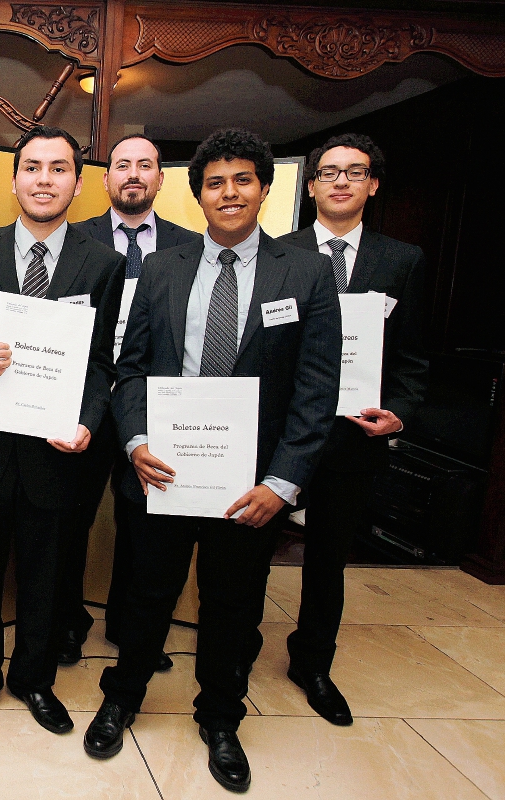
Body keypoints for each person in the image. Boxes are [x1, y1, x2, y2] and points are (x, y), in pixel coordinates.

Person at [87, 128, 341, 793]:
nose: (229, 193)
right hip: (164, 474)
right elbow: (131, 370)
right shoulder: (162, 268)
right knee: (146, 594)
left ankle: (222, 718)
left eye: (242, 180)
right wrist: (136, 442)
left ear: (265, 188)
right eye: (215, 182)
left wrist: (282, 484)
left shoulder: (306, 273)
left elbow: (317, 389)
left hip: (249, 486)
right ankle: (122, 697)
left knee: (233, 606)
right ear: (198, 194)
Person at [0, 126, 122, 736]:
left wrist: (88, 421)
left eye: (58, 168)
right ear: (14, 180)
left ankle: (34, 680)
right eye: (32, 167)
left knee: (46, 577)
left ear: (78, 183)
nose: (44, 179)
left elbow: (101, 362)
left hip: (54, 451)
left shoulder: (104, 264)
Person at [265, 133, 427, 724]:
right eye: (329, 172)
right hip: (279, 434)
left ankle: (313, 663)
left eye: (355, 172)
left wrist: (399, 410)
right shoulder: (276, 253)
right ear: (309, 185)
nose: (340, 181)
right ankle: (238, 646)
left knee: (328, 557)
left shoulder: (401, 260)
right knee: (251, 549)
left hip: (353, 437)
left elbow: (413, 356)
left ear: (373, 185)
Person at [63, 134, 200, 668]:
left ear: (161, 178)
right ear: (104, 179)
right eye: (123, 165)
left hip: (156, 405)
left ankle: (131, 627)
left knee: (144, 524)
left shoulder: (191, 247)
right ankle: (68, 623)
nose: (134, 174)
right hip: (86, 400)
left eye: (146, 165)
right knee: (71, 519)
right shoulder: (75, 239)